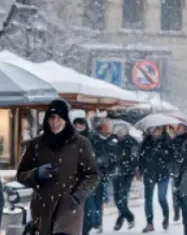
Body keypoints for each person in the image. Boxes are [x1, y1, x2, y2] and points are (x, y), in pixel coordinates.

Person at [17, 99, 99, 235]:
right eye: (51, 118)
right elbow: (21, 174)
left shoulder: (80, 143)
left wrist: (76, 196)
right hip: (42, 209)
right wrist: (36, 174)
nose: (55, 122)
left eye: (59, 118)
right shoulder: (36, 144)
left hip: (68, 209)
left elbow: (92, 174)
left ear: (66, 120)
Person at [138, 125, 174, 233]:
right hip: (149, 173)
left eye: (157, 129)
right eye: (153, 129)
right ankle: (150, 223)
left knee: (161, 198)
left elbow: (172, 157)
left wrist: (161, 152)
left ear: (162, 129)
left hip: (163, 173)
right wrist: (140, 170)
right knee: (148, 199)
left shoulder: (167, 141)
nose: (155, 132)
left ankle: (166, 219)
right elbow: (141, 157)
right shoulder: (146, 141)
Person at [86, 120, 116, 234]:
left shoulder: (112, 140)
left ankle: (98, 223)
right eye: (107, 127)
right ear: (102, 127)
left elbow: (114, 156)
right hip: (94, 174)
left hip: (104, 175)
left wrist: (110, 166)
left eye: (110, 127)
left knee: (99, 201)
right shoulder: (94, 139)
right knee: (92, 201)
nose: (109, 129)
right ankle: (94, 223)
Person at [109, 124, 139, 231]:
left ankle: (124, 219)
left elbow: (135, 158)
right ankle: (128, 216)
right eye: (118, 131)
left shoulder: (131, 142)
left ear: (127, 132)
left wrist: (134, 169)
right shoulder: (111, 141)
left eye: (122, 131)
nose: (120, 133)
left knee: (122, 196)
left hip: (127, 173)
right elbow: (108, 154)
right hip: (115, 173)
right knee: (118, 198)